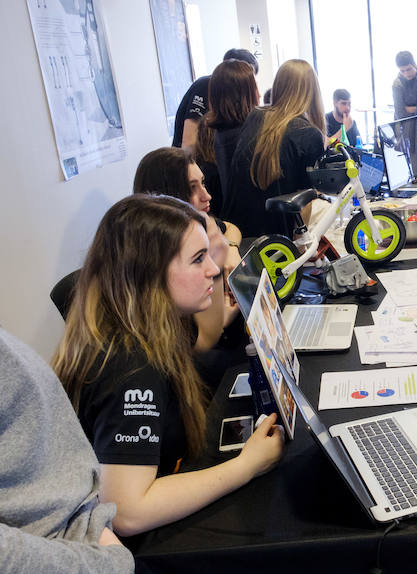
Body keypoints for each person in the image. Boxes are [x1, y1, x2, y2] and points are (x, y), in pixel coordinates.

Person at [52, 196, 285, 538]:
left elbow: (207, 332)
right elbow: (127, 512)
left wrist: (220, 245)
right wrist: (246, 466)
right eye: (197, 259)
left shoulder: (157, 323)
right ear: (149, 274)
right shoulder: (131, 366)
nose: (213, 269)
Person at [0, 328, 134, 574]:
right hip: (83, 569)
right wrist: (113, 565)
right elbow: (131, 511)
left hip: (82, 545)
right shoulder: (132, 366)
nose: (211, 281)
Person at [132, 147, 244, 381]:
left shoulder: (198, 224)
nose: (207, 196)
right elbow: (206, 338)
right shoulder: (159, 257)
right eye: (193, 188)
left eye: (203, 183)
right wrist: (224, 312)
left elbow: (231, 227)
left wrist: (230, 247)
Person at [222, 59, 326, 238]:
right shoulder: (307, 133)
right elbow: (306, 201)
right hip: (278, 240)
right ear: (312, 91)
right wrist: (302, 247)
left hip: (239, 233)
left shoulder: (256, 116)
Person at [172, 48, 258, 150]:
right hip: (191, 159)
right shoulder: (205, 85)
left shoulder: (227, 96)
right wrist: (190, 165)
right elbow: (189, 142)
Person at [203, 58, 260, 201]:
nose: (259, 94)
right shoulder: (247, 134)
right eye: (254, 87)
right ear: (244, 94)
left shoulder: (222, 133)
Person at [392, 51, 417, 121]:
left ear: (415, 64)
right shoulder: (397, 84)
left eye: (409, 69)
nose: (406, 74)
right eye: (402, 71)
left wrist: (411, 109)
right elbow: (400, 113)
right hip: (405, 125)